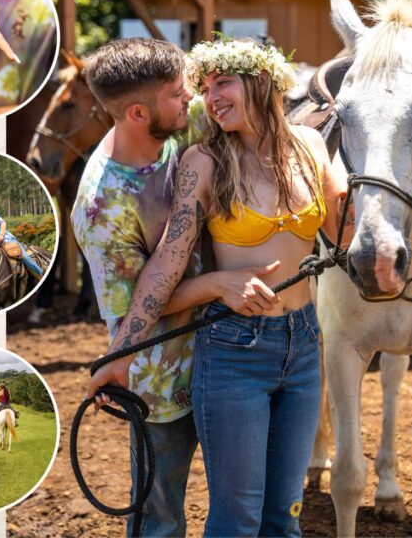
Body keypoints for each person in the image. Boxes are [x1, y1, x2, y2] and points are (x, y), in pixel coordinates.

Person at [88, 38, 345, 538]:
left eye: (222, 83)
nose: (210, 98)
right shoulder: (204, 162)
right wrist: (121, 351)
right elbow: (166, 262)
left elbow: (343, 233)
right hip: (235, 351)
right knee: (239, 518)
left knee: (286, 518)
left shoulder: (311, 146)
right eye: (203, 88)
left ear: (261, 81)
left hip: (304, 344)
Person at [0, 193, 44, 277]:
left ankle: (42, 273)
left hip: (7, 241)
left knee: (24, 257)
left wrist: (1, 235)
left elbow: (2, 223)